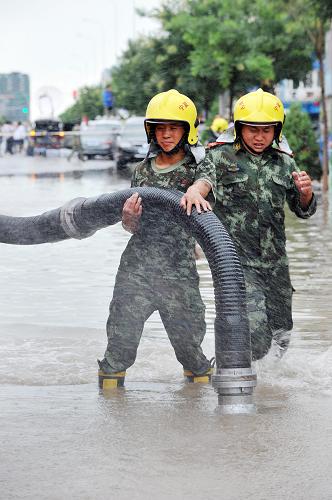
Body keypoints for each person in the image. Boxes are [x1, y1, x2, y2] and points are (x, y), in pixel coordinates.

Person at [98, 89, 216, 388]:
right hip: (136, 269)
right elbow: (131, 228)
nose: (166, 135)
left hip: (178, 271)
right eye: (160, 128)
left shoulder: (197, 168)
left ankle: (198, 418)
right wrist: (129, 219)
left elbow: (207, 182)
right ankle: (112, 418)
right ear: (151, 130)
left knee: (192, 353)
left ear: (187, 130)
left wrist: (195, 190)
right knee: (118, 349)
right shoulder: (141, 172)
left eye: (173, 127)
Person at [206, 88, 316, 360]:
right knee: (255, 332)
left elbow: (303, 212)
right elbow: (202, 182)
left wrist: (306, 195)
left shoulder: (284, 161)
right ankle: (237, 377)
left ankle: (270, 391)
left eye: (267, 130)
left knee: (282, 332)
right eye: (252, 130)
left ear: (277, 130)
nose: (259, 137)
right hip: (238, 262)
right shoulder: (220, 157)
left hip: (277, 263)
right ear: (239, 128)